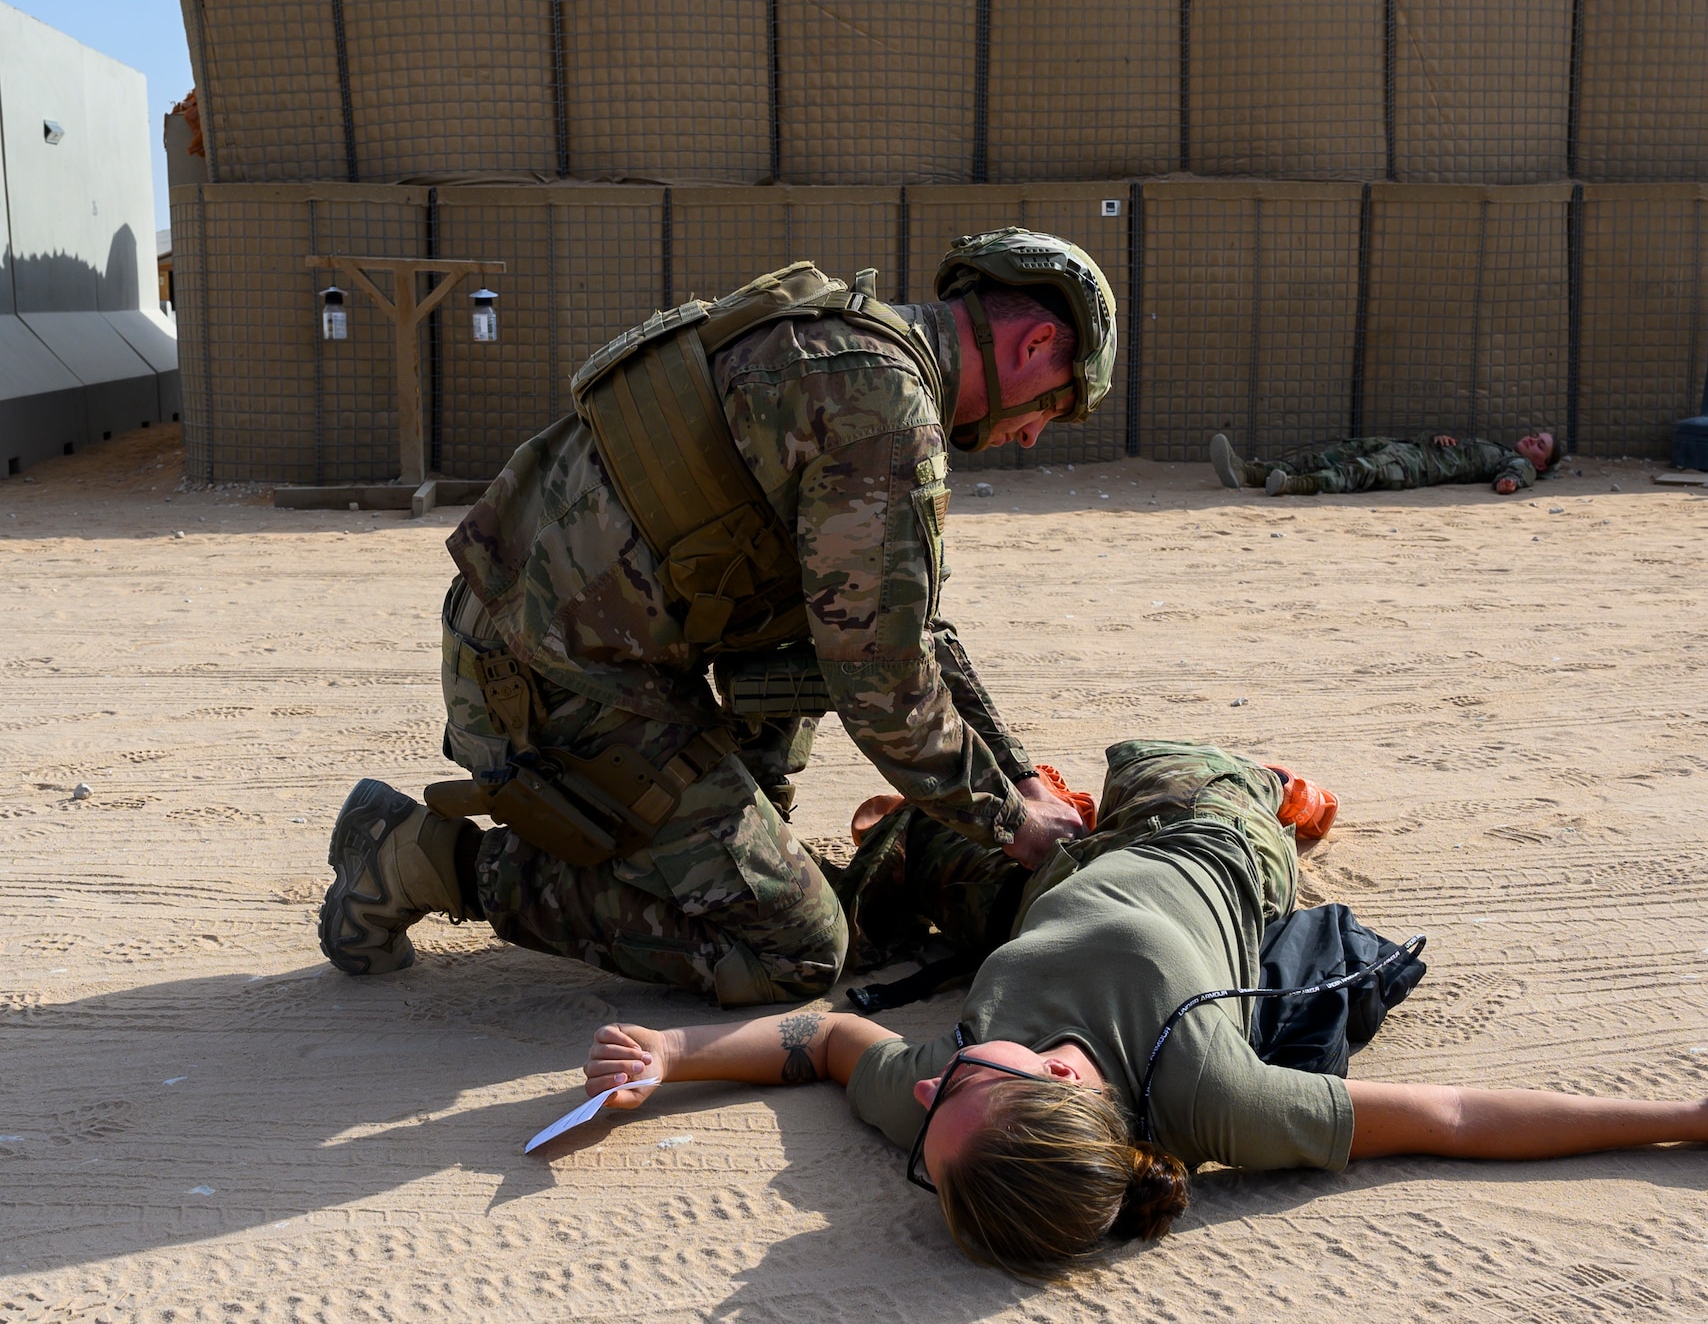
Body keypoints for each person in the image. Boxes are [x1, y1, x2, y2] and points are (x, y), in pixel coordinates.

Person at [578, 740, 1708, 1278]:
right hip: (1206, 851)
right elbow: (1450, 1113)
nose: (925, 1085)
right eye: (957, 1088)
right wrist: (1691, 1115)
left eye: (931, 1121)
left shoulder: (946, 1115)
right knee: (1164, 762)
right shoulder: (1210, 1097)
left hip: (1049, 887)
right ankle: (1290, 798)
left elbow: (819, 1038)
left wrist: (671, 1060)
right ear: (1070, 1089)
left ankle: (1044, 813)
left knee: (897, 846)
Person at [317, 230, 1119, 1006]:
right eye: (1055, 406)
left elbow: (912, 632)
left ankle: (730, 843)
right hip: (548, 681)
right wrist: (1012, 823)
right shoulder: (882, 413)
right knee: (800, 948)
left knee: (811, 666)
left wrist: (1014, 775)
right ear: (1036, 343)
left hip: (571, 642)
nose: (1031, 432)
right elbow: (881, 681)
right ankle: (421, 857)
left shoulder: (840, 338)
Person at [1210, 429, 1560, 497]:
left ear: (1541, 464)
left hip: (1416, 468)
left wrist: (1511, 482)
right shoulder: (1497, 446)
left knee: (1358, 471)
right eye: (1534, 435)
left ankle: (1293, 485)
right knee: (1335, 454)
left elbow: (1516, 474)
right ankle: (1249, 473)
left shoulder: (1519, 464)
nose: (1531, 440)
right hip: (1410, 448)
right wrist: (1439, 437)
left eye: (1539, 445)